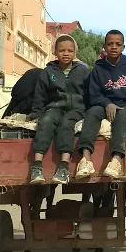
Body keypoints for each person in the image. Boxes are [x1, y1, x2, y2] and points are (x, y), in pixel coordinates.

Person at [75, 30, 126, 179]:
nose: (114, 47)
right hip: (104, 105)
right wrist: (107, 103)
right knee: (92, 112)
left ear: (123, 47)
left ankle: (116, 159)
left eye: (118, 44)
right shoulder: (98, 69)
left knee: (122, 116)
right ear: (104, 47)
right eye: (110, 44)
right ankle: (85, 159)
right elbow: (93, 94)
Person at [28, 35, 90, 185]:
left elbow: (90, 93)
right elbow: (40, 95)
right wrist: (36, 113)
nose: (66, 53)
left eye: (70, 50)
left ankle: (63, 168)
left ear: (75, 52)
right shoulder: (48, 72)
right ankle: (36, 167)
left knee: (66, 124)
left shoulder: (84, 71)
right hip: (54, 107)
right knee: (46, 121)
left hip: (77, 109)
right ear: (55, 52)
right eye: (62, 50)